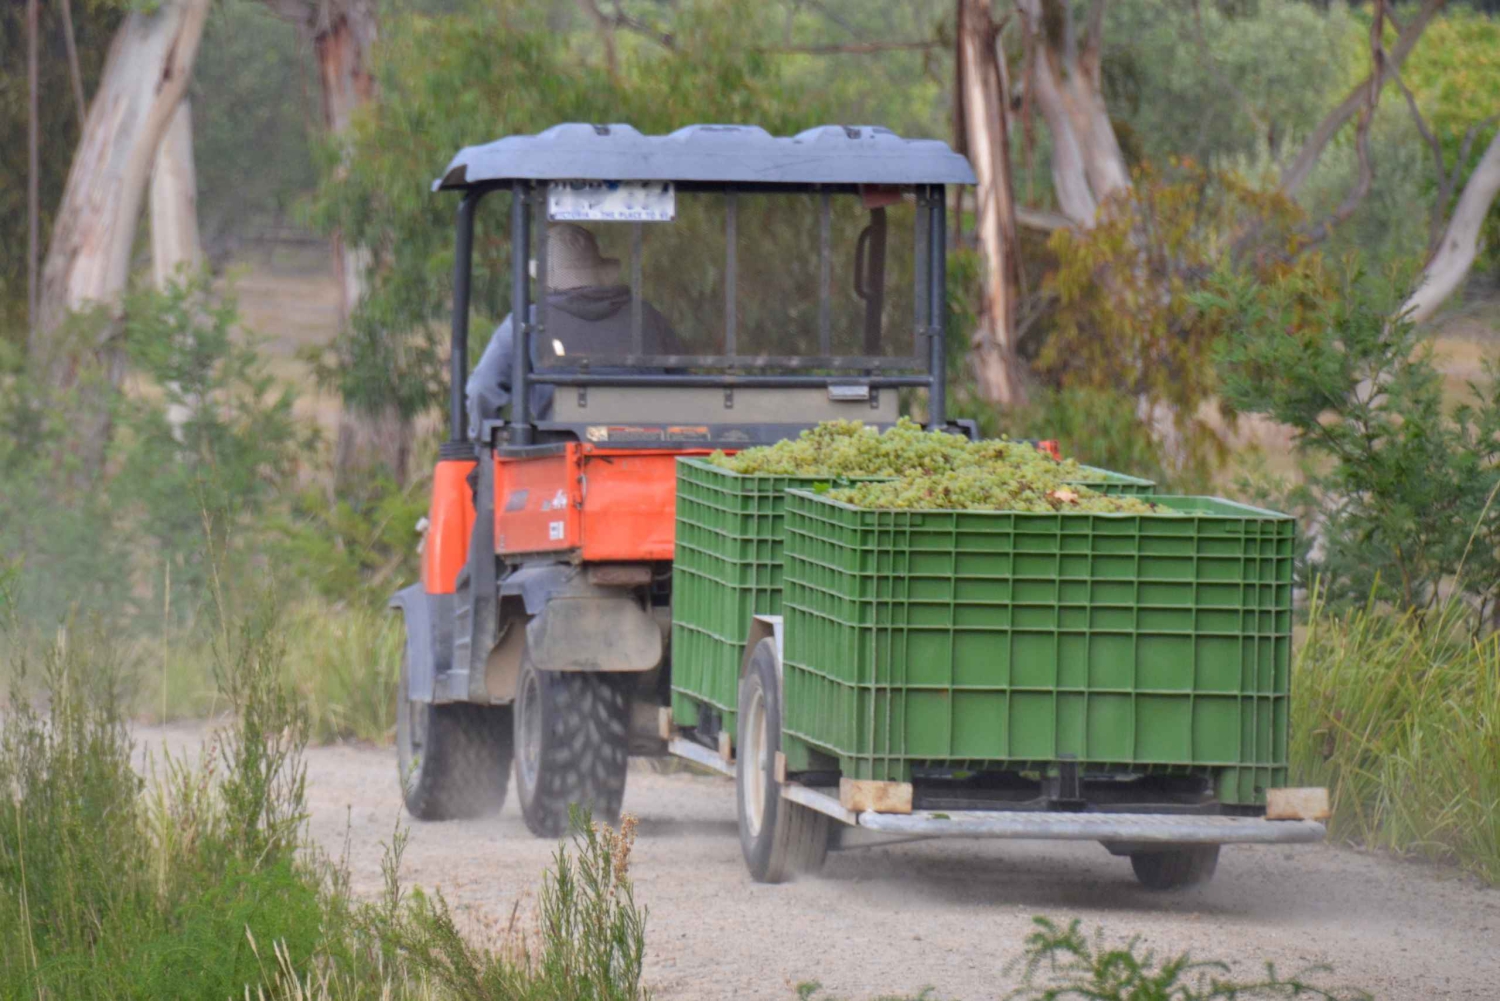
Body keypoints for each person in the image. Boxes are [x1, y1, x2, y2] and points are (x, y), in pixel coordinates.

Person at [466, 223, 680, 436]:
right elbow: (685, 387)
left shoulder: (525, 321)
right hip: (650, 451)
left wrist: (484, 443)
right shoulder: (647, 317)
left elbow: (482, 389)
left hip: (558, 455)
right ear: (598, 270)